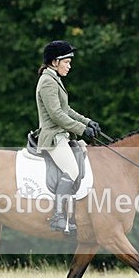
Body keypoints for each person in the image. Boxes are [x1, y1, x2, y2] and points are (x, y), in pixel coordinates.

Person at [33, 40, 101, 233]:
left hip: (61, 135)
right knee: (71, 170)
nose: (69, 66)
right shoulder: (47, 81)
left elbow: (67, 109)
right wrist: (81, 130)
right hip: (53, 137)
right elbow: (56, 114)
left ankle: (72, 216)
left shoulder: (54, 78)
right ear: (55, 62)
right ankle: (58, 216)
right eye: (67, 62)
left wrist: (87, 122)